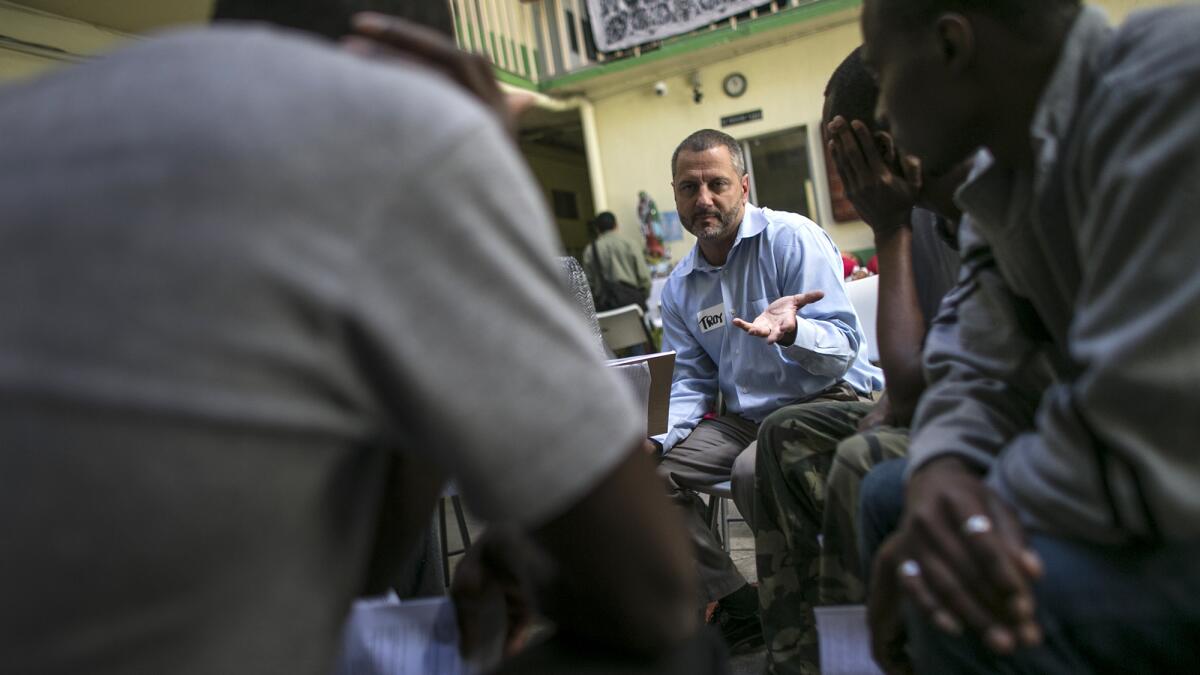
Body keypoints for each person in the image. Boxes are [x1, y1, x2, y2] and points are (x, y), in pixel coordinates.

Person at [0, 4, 716, 674]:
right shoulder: (395, 121)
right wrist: (476, 165)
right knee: (688, 650)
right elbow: (652, 592)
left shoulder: (42, 116)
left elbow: (357, 566)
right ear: (423, 59)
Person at [859, 0, 1200, 672]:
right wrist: (941, 475)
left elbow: (1147, 430)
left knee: (950, 599)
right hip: (1142, 469)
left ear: (952, 46)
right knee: (891, 497)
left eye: (882, 72)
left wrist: (964, 522)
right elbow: (974, 368)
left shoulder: (1163, 88)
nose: (879, 113)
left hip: (1171, 476)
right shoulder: (1010, 173)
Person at [747, 47, 964, 675]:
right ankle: (796, 655)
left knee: (859, 457)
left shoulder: (945, 206)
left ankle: (858, 659)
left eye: (845, 149)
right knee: (782, 434)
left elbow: (901, 371)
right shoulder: (682, 283)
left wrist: (889, 228)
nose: (841, 169)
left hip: (964, 407)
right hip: (927, 393)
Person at [654, 128, 882, 651]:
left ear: (744, 186)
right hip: (745, 420)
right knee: (645, 478)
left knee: (752, 470)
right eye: (689, 188)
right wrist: (655, 439)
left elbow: (845, 348)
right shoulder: (681, 285)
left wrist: (795, 331)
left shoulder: (789, 239)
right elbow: (690, 383)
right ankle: (740, 604)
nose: (704, 199)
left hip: (827, 399)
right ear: (675, 194)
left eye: (717, 183)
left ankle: (811, 606)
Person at [582, 211, 652, 311]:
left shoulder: (590, 250)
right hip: (632, 305)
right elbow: (645, 279)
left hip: (606, 309)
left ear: (597, 229)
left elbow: (588, 285)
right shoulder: (631, 244)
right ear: (616, 225)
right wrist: (641, 298)